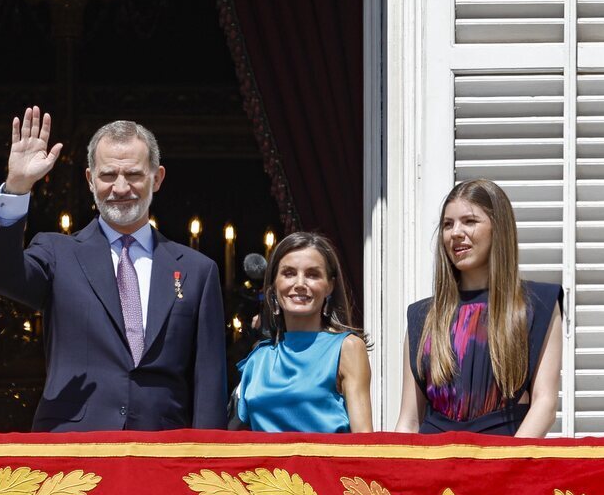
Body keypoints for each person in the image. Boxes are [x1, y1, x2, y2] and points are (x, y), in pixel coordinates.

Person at [0, 106, 227, 431]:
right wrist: (17, 188)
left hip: (163, 455)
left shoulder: (197, 270)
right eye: (108, 175)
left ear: (157, 178)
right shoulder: (58, 253)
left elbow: (209, 382)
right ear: (90, 180)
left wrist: (205, 463)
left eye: (134, 175)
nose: (121, 188)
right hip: (75, 450)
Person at [395, 179, 562, 437]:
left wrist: (502, 469)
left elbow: (545, 404)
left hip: (505, 462)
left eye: (469, 221)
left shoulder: (538, 304)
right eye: (448, 224)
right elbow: (408, 422)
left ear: (499, 228)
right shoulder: (422, 316)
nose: (456, 233)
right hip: (434, 466)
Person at [235, 232, 373, 433]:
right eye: (289, 273)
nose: (300, 284)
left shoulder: (347, 348)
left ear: (330, 286)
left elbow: (364, 442)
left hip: (327, 464)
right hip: (265, 465)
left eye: (312, 274)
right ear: (273, 285)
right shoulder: (258, 357)